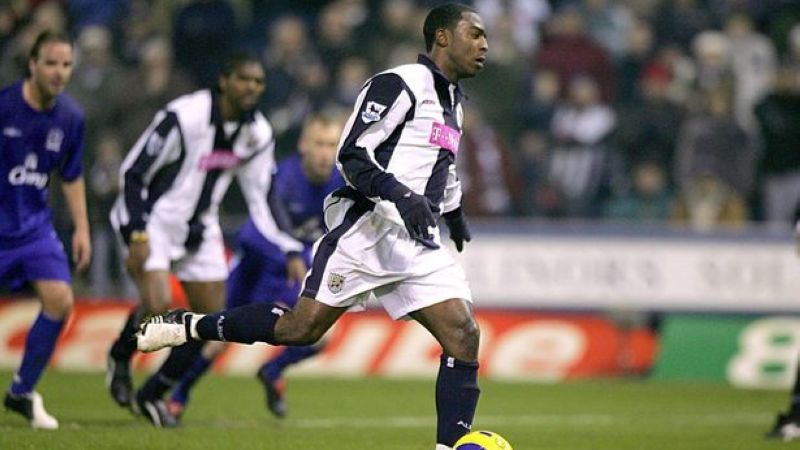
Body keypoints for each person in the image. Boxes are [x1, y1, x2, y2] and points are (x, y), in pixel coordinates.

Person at [137, 4, 487, 449]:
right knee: (299, 330)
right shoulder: (399, 85)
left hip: (417, 242)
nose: (484, 45)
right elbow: (352, 154)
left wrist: (453, 214)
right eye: (474, 34)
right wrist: (402, 196)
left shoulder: (455, 103)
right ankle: (190, 325)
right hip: (366, 230)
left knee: (463, 333)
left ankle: (450, 447)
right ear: (441, 37)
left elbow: (443, 166)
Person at [107, 52, 306, 427]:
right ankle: (120, 356)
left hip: (200, 228)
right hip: (154, 221)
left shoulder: (257, 133)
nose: (252, 88)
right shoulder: (185, 116)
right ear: (224, 81)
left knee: (208, 323)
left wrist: (290, 245)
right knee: (157, 305)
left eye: (259, 82)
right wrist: (136, 230)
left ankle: (153, 394)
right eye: (245, 79)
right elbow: (134, 172)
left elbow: (262, 196)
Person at [166, 112, 345, 419]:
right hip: (256, 261)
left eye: (332, 144)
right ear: (304, 145)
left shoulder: (341, 183)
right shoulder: (285, 177)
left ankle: (271, 371)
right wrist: (296, 255)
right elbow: (270, 225)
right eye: (319, 143)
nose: (326, 153)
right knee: (217, 338)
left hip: (290, 271)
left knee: (320, 334)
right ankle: (176, 397)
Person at [1, 31, 91, 429]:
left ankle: (22, 392)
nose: (59, 72)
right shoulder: (4, 107)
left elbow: (71, 175)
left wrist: (82, 228)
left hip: (34, 229)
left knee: (60, 300)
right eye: (51, 63)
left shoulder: (72, 118)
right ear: (32, 64)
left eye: (66, 64)